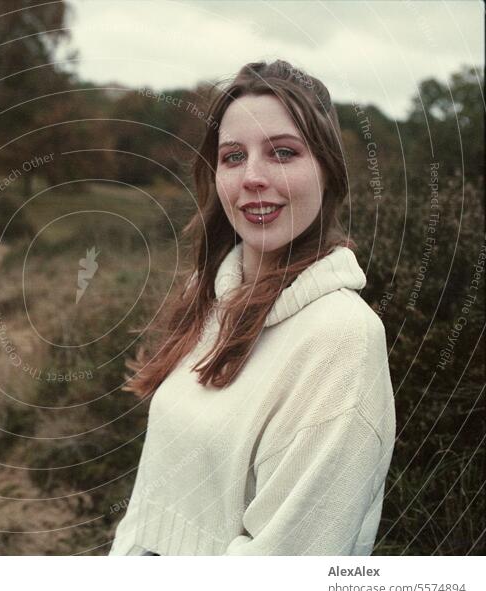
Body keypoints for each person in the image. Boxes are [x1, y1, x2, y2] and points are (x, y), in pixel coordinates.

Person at [108, 60, 396, 556]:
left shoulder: (342, 339)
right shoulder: (212, 297)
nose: (253, 177)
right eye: (234, 156)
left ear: (326, 169)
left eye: (283, 152)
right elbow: (150, 504)